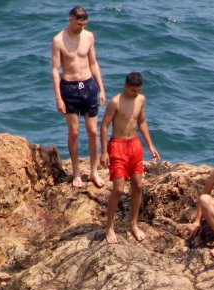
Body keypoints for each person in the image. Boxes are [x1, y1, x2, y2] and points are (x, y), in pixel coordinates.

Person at [100, 72, 161, 244]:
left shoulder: (141, 100)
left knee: (138, 185)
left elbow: (141, 121)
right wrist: (104, 151)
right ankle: (109, 227)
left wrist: (150, 145)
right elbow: (104, 126)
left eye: (138, 90)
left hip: (134, 145)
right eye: (134, 90)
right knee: (118, 189)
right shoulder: (115, 102)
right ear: (126, 86)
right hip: (117, 146)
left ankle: (133, 224)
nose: (136, 93)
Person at [51, 5, 106, 189]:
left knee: (93, 131)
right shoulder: (58, 40)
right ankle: (75, 173)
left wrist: (101, 88)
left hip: (88, 86)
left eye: (84, 24)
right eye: (78, 24)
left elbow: (93, 62)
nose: (81, 28)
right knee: (74, 133)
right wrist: (58, 97)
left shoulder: (89, 36)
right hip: (69, 88)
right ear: (70, 19)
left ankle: (93, 171)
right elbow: (54, 70)